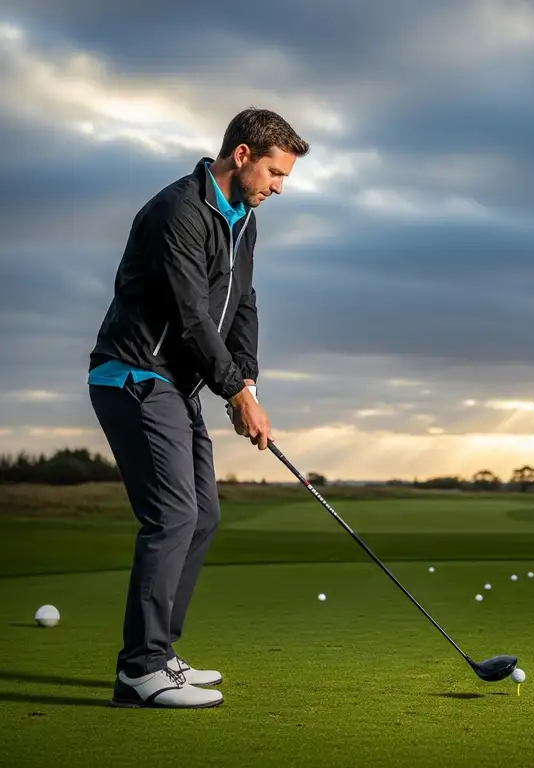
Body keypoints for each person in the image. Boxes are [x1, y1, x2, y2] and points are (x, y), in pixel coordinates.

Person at [87, 108, 310, 708]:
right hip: (135, 375)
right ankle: (141, 669)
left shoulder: (244, 220)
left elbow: (243, 304)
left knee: (203, 515)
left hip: (176, 385)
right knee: (173, 516)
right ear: (242, 155)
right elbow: (190, 318)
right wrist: (234, 392)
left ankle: (161, 656)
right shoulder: (178, 211)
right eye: (274, 172)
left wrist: (250, 383)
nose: (278, 187)